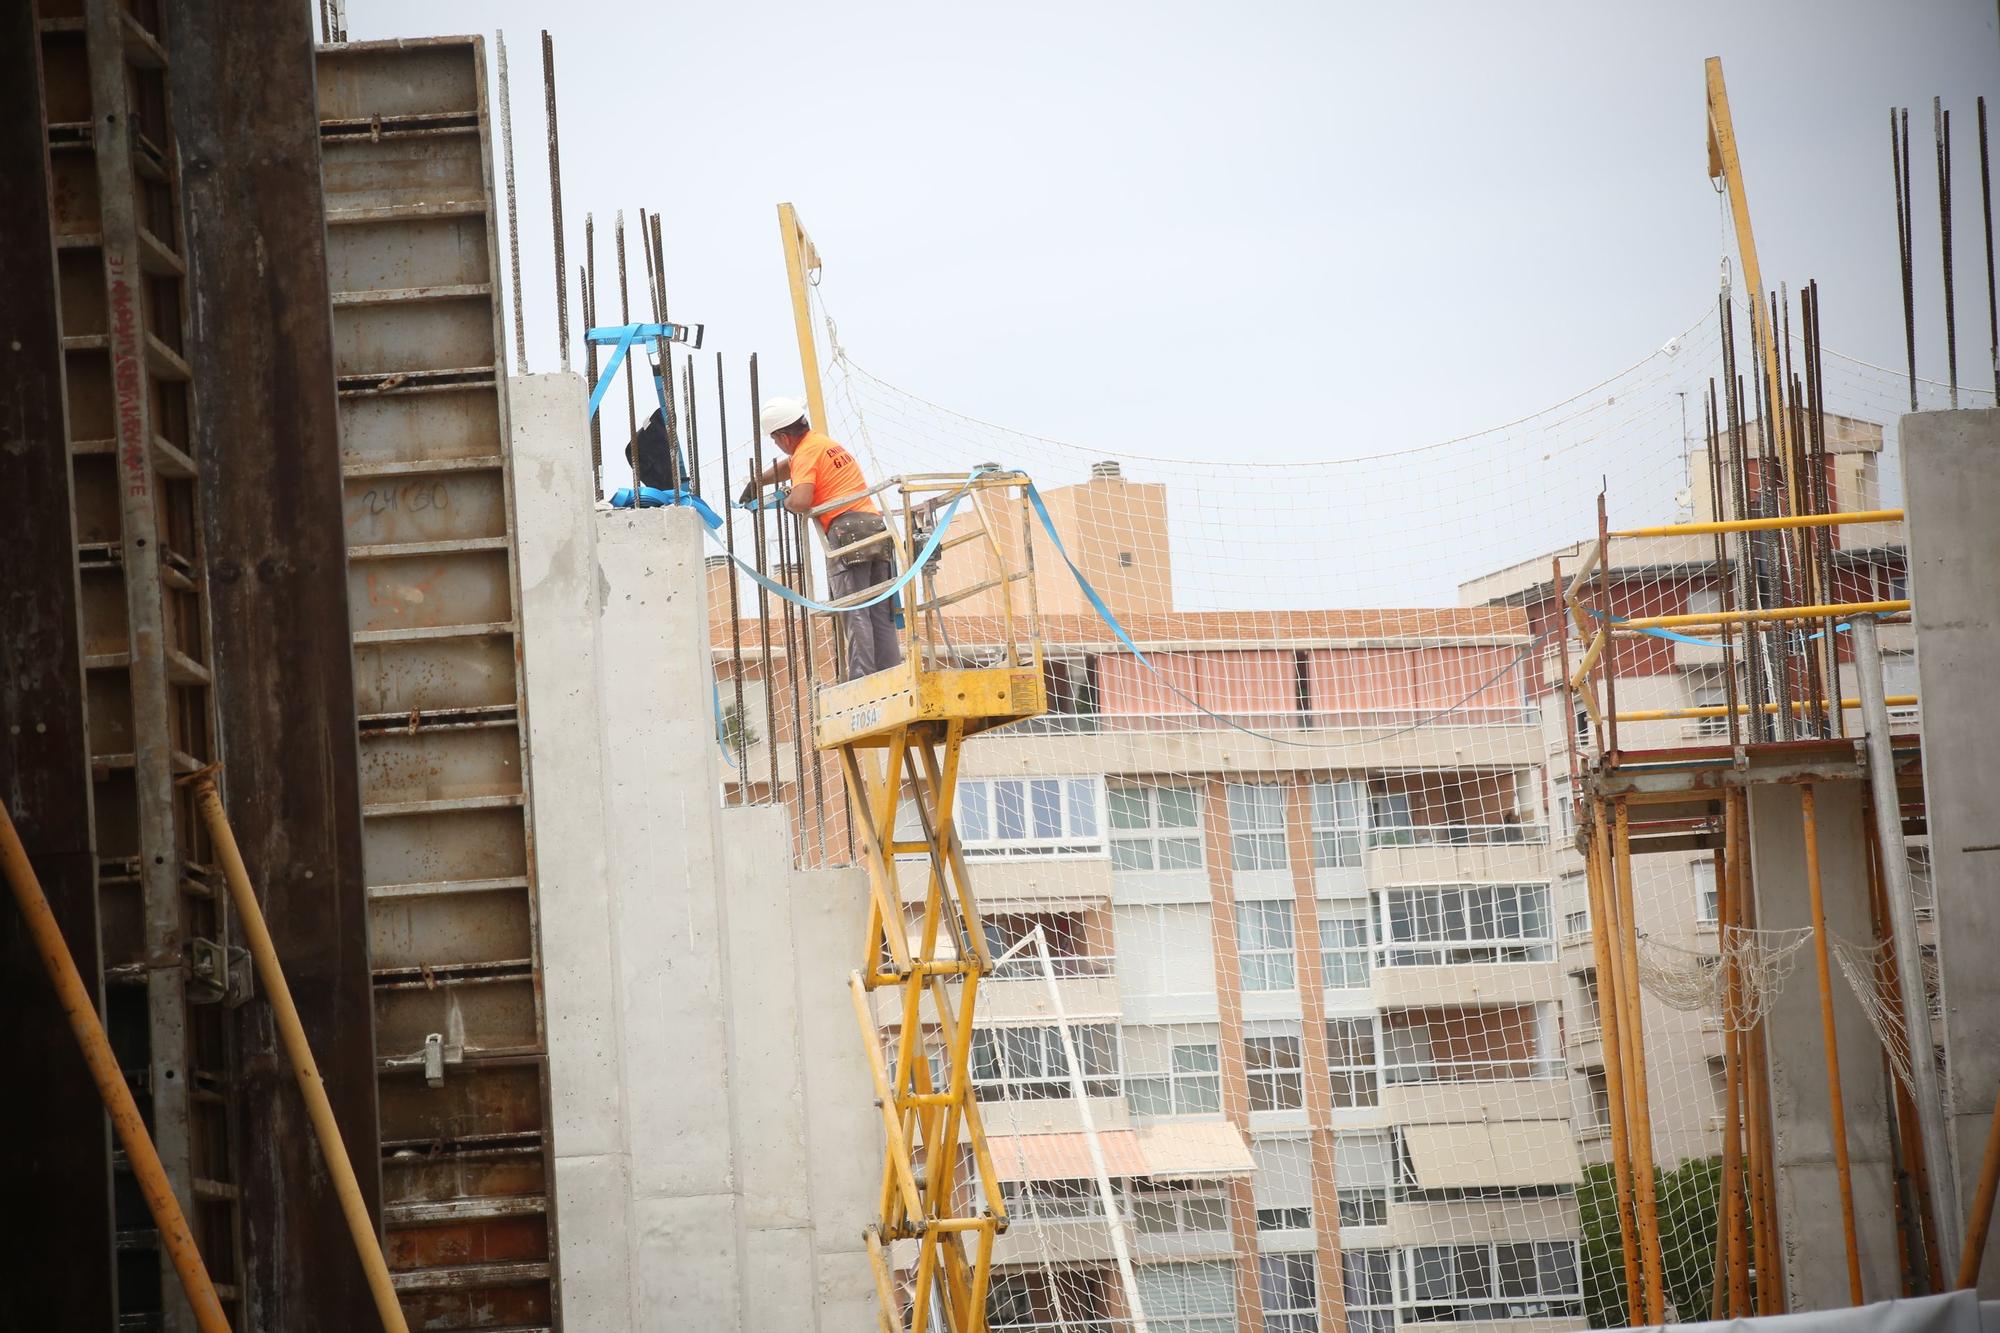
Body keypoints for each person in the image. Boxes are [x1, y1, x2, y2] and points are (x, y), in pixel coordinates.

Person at [739, 398, 902, 681]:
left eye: (776, 441)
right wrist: (758, 481)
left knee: (854, 610)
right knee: (879, 609)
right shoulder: (821, 443)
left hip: (846, 532)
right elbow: (791, 466)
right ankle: (890, 675)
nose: (777, 446)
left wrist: (786, 499)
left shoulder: (804, 453)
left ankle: (863, 680)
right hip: (875, 526)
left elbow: (801, 500)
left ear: (783, 436)